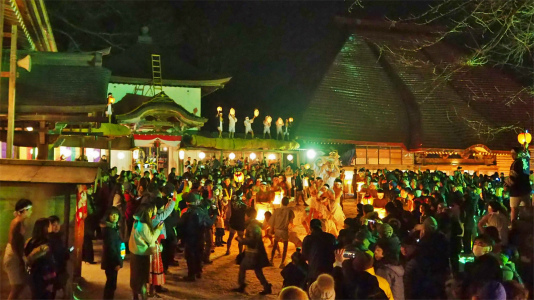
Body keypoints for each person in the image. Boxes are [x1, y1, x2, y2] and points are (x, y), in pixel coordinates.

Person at [233, 208, 272, 295]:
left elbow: (251, 241)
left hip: (252, 253)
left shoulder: (252, 226)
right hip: (256, 252)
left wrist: (241, 240)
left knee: (243, 266)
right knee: (258, 270)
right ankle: (266, 286)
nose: (244, 217)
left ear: (249, 216)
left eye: (245, 215)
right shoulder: (255, 224)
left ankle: (242, 285)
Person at [128, 203, 163, 300]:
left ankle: (136, 297)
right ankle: (143, 297)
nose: (153, 213)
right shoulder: (143, 225)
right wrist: (158, 230)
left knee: (135, 278)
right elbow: (151, 239)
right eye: (152, 211)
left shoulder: (136, 221)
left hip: (135, 252)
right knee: (142, 279)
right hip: (141, 254)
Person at [178, 192, 215, 281]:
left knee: (190, 256)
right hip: (200, 236)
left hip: (190, 237)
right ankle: (198, 271)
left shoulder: (186, 212)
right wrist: (215, 215)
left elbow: (180, 225)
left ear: (187, 202)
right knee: (199, 253)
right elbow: (209, 223)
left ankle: (191, 275)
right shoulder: (201, 211)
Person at [4, 199, 32, 300]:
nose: (31, 212)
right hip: (13, 255)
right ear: (23, 211)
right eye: (29, 209)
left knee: (19, 285)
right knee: (16, 286)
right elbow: (14, 243)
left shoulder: (19, 221)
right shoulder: (17, 223)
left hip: (14, 254)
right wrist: (22, 258)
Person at [24, 218, 56, 300]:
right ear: (44, 228)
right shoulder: (46, 244)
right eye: (49, 225)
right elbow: (48, 261)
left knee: (35, 296)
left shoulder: (29, 241)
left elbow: (26, 255)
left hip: (33, 274)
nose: (51, 227)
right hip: (44, 275)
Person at [302, 219, 337, 284]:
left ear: (311, 228)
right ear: (321, 226)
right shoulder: (331, 237)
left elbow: (304, 256)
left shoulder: (308, 239)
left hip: (314, 272)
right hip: (329, 270)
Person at [100, 207, 123, 300]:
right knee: (111, 284)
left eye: (116, 215)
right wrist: (117, 263)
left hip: (112, 260)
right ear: (108, 216)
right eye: (112, 215)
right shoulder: (109, 230)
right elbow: (111, 248)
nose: (114, 217)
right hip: (111, 262)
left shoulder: (113, 227)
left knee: (111, 283)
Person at [506, 146, 531, 222]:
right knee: (526, 208)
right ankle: (528, 223)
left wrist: (506, 185)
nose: (512, 155)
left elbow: (513, 176)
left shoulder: (516, 163)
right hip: (525, 189)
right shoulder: (525, 161)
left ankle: (514, 225)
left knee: (514, 208)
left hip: (516, 190)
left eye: (513, 153)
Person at [269, 196, 295, 268]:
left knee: (275, 245)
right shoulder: (289, 211)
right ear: (288, 203)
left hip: (277, 230)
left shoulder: (277, 210)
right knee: (285, 246)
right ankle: (282, 263)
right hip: (284, 230)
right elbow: (291, 221)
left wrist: (271, 229)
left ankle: (271, 260)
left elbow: (272, 221)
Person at [48, 215, 70, 298]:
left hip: (60, 267)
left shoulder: (59, 236)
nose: (56, 226)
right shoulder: (50, 238)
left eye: (58, 224)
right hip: (54, 268)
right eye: (54, 225)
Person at [226, 189, 247, 256]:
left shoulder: (232, 202)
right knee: (240, 238)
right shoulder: (243, 205)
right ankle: (240, 252)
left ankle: (227, 250)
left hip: (233, 221)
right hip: (240, 222)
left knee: (230, 237)